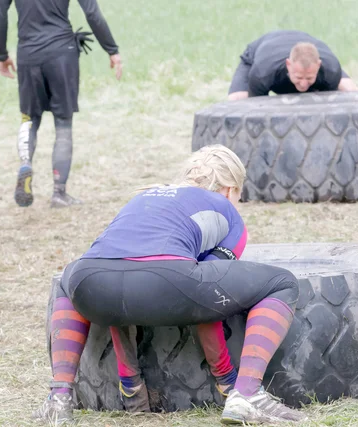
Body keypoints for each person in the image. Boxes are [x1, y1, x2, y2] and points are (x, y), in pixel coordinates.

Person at [34, 145, 308, 425]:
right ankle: (248, 394)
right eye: (239, 194)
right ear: (229, 189)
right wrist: (226, 379)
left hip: (90, 280)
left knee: (68, 281)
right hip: (166, 281)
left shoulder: (144, 197)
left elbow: (121, 279)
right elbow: (211, 297)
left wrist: (132, 384)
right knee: (281, 283)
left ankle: (59, 396)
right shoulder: (226, 210)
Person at [0, 0, 123, 208]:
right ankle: (59, 193)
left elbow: (0, 14)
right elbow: (92, 13)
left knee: (30, 118)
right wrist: (112, 50)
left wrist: (1, 54)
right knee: (63, 123)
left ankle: (26, 163)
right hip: (62, 54)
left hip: (29, 54)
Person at [228, 30, 358, 101]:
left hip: (305, 44)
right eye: (298, 77)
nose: (303, 84)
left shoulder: (331, 69)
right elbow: (254, 108)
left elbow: (328, 105)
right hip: (257, 55)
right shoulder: (263, 73)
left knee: (351, 91)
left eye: (309, 78)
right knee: (237, 101)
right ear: (288, 64)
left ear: (319, 66)